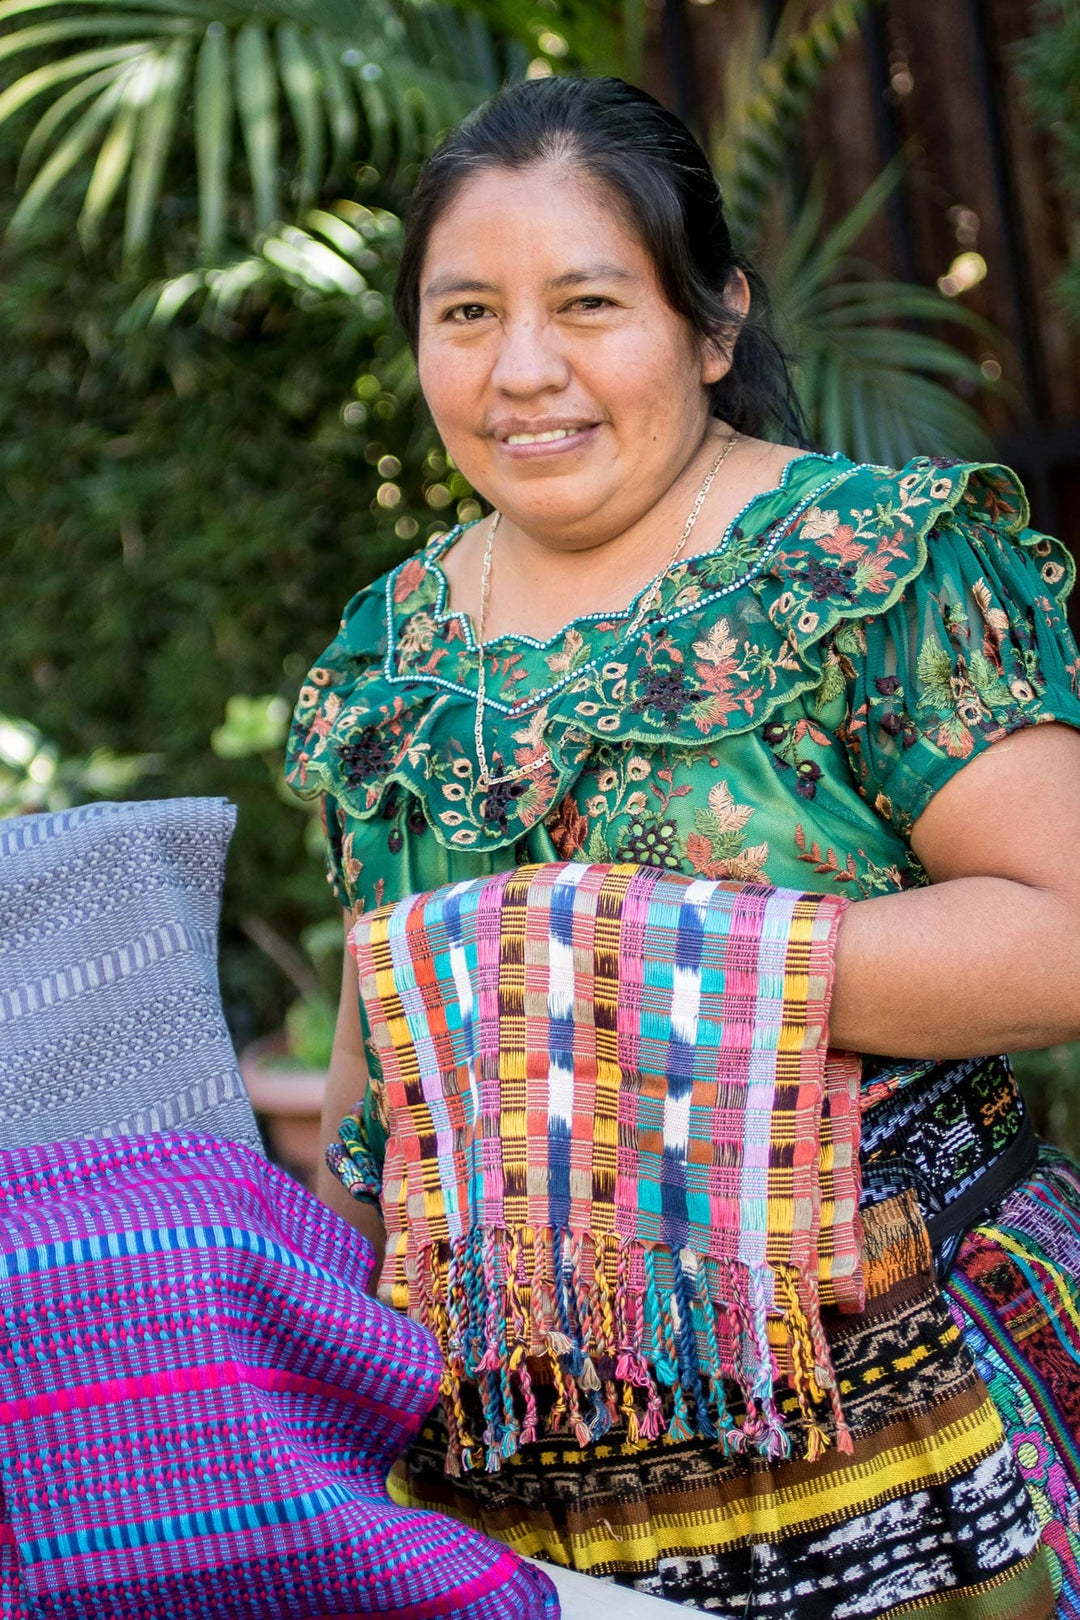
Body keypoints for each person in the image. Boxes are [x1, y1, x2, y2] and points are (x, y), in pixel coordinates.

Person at [287, 74, 1080, 1616]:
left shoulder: (867, 561)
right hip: (517, 1509)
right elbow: (377, 1070)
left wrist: (622, 954)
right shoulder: (391, 648)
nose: (523, 371)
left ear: (714, 324)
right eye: (465, 315)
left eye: (588, 302)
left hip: (913, 1450)